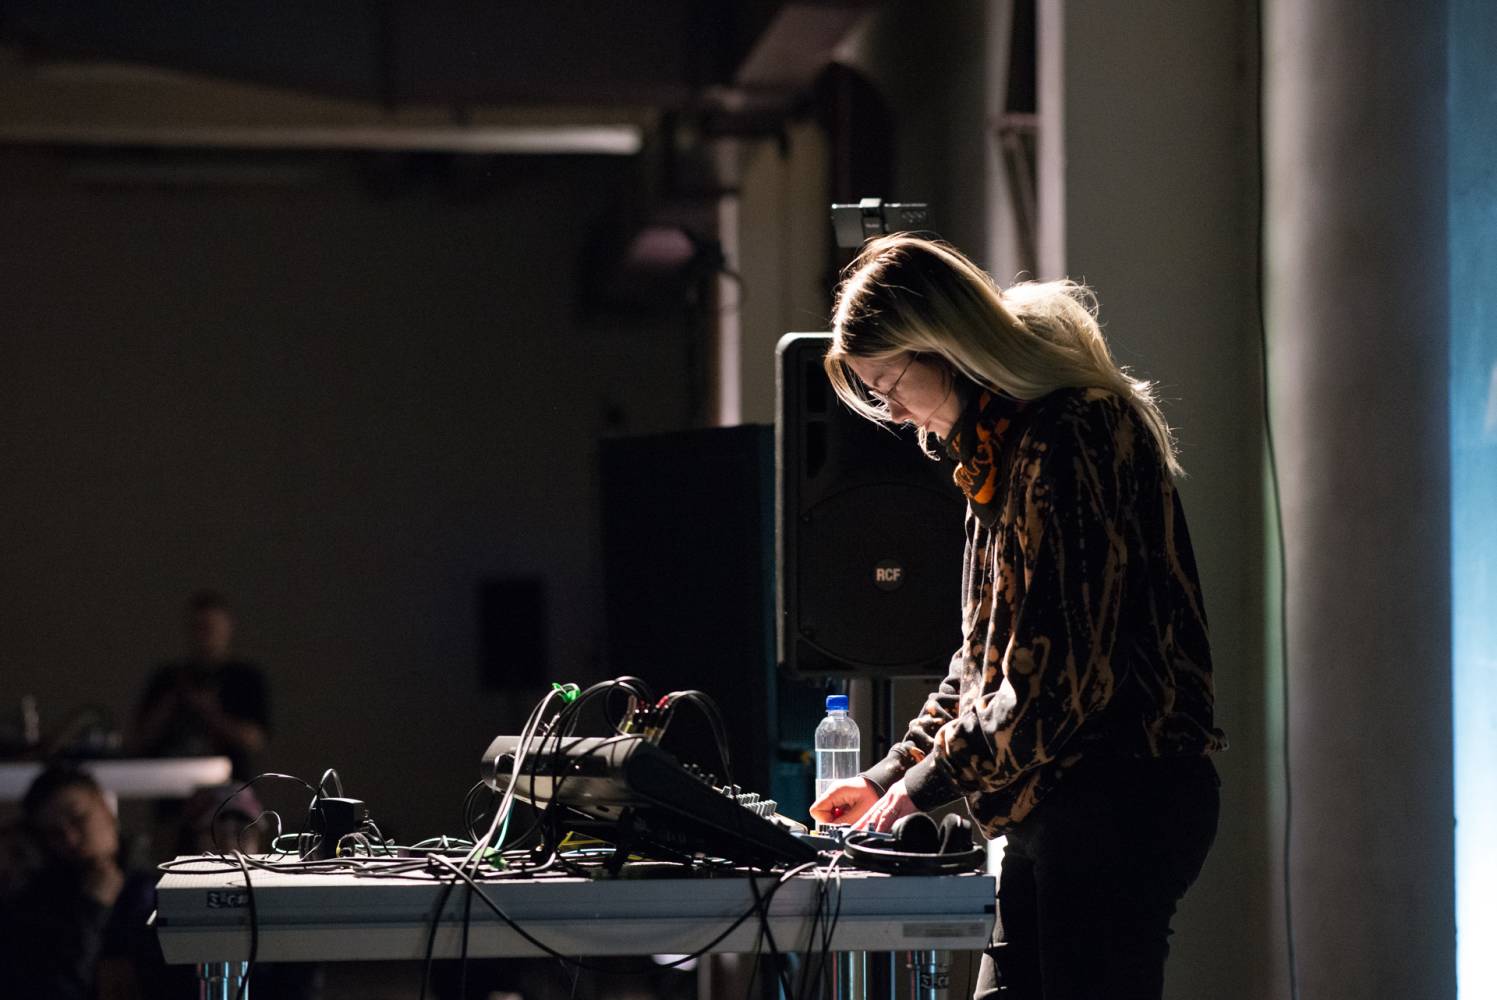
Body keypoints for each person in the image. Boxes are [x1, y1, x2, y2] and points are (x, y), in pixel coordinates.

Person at [808, 235, 1228, 1000]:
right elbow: (978, 665)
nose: (891, 411)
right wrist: (886, 776)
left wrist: (923, 784)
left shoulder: (1073, 434)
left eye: (888, 384)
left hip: (1117, 797)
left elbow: (1056, 680)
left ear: (943, 345)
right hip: (1056, 804)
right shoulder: (995, 452)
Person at [0, 766, 163, 999]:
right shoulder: (37, 905)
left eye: (78, 819)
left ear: (105, 808)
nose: (70, 838)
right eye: (54, 833)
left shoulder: (158, 886)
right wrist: (92, 909)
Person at [131, 589, 270, 780]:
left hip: (229, 785)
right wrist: (173, 701)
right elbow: (138, 740)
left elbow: (254, 740)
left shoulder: (245, 678)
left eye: (212, 627)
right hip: (170, 784)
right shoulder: (168, 678)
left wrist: (210, 712)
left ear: (228, 628)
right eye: (199, 627)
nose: (206, 635)